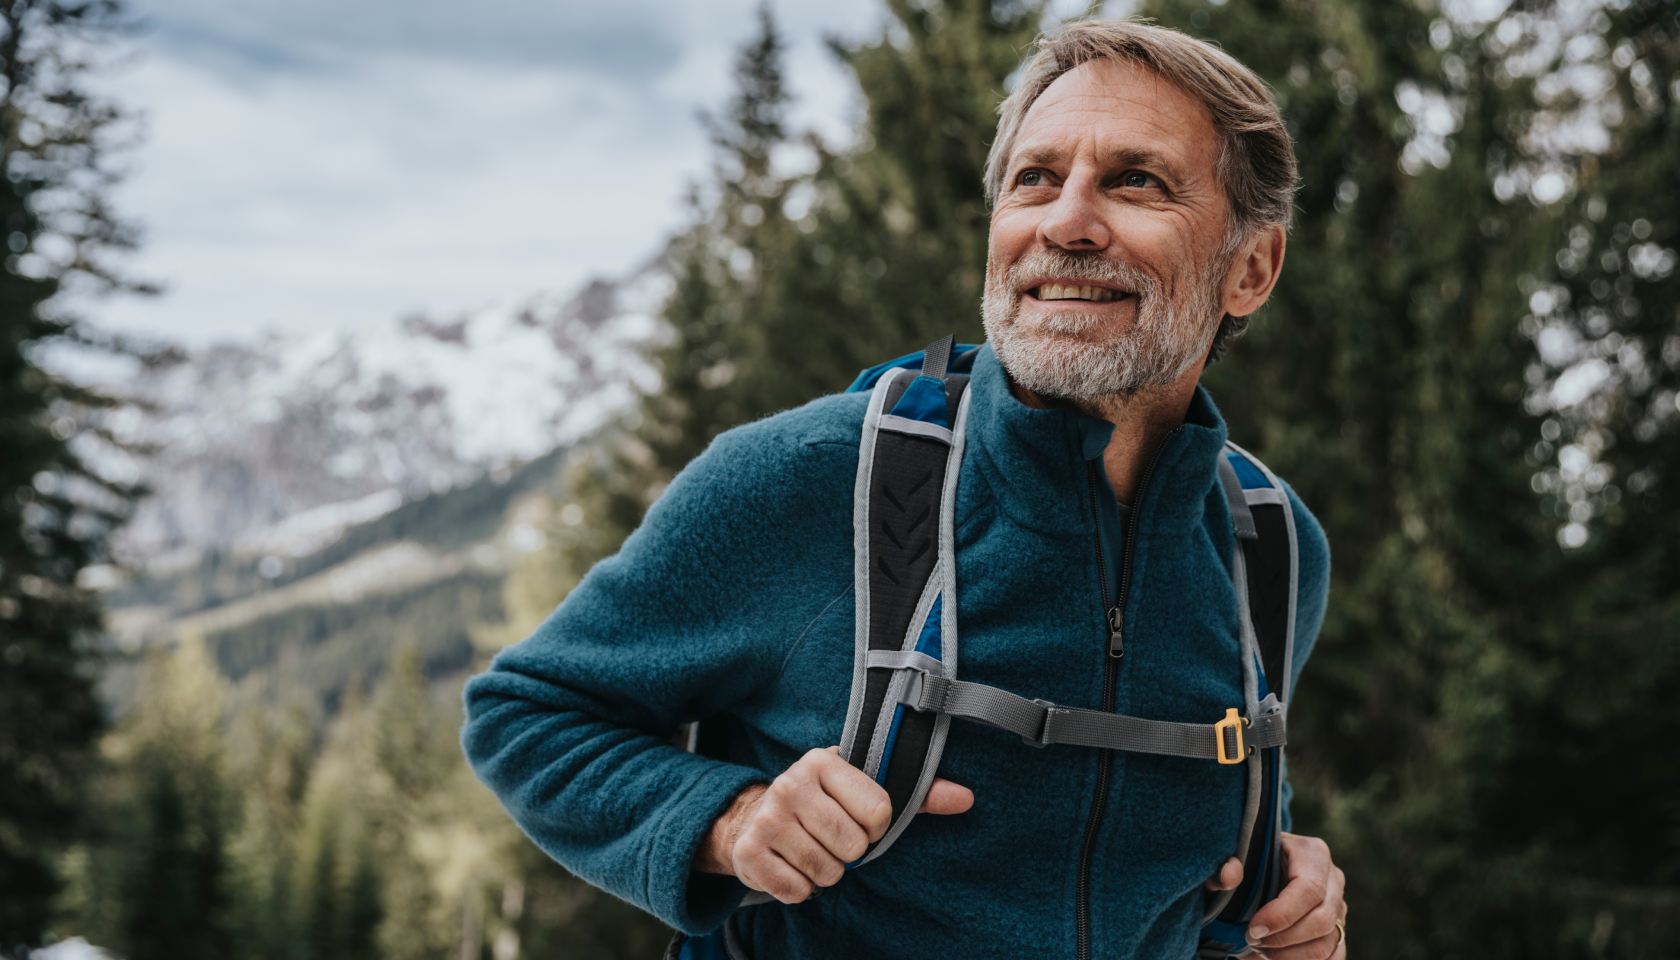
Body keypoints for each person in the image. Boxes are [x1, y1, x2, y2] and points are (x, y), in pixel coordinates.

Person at [463, 18, 1348, 960]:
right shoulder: (810, 479)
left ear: (1250, 268)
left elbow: (1187, 887)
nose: (1066, 222)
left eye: (1137, 181)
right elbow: (528, 713)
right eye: (1034, 180)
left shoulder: (1270, 546)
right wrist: (731, 821)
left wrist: (1282, 917)